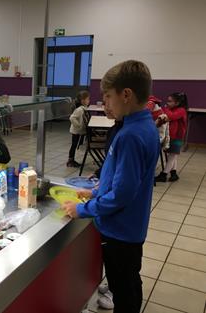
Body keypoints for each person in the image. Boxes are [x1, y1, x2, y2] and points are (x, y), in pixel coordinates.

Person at [62, 60, 160, 313]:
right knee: (128, 279)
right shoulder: (142, 125)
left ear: (126, 94)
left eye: (107, 96)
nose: (105, 103)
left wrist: (83, 209)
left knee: (123, 286)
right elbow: (120, 178)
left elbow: (122, 194)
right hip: (131, 226)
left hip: (120, 231)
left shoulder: (130, 135)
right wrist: (95, 191)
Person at [154, 92, 188, 182]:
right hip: (170, 135)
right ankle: (173, 173)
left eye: (170, 101)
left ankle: (163, 175)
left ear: (177, 103)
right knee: (172, 154)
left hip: (177, 136)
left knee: (172, 155)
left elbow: (171, 116)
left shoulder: (181, 110)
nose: (167, 103)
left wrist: (165, 109)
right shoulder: (173, 109)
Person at [67, 90, 90, 167]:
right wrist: (79, 126)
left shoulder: (84, 108)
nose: (89, 101)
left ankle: (71, 160)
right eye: (87, 99)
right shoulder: (79, 110)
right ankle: (70, 161)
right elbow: (72, 118)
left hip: (77, 131)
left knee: (74, 145)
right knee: (74, 145)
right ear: (83, 100)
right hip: (75, 131)